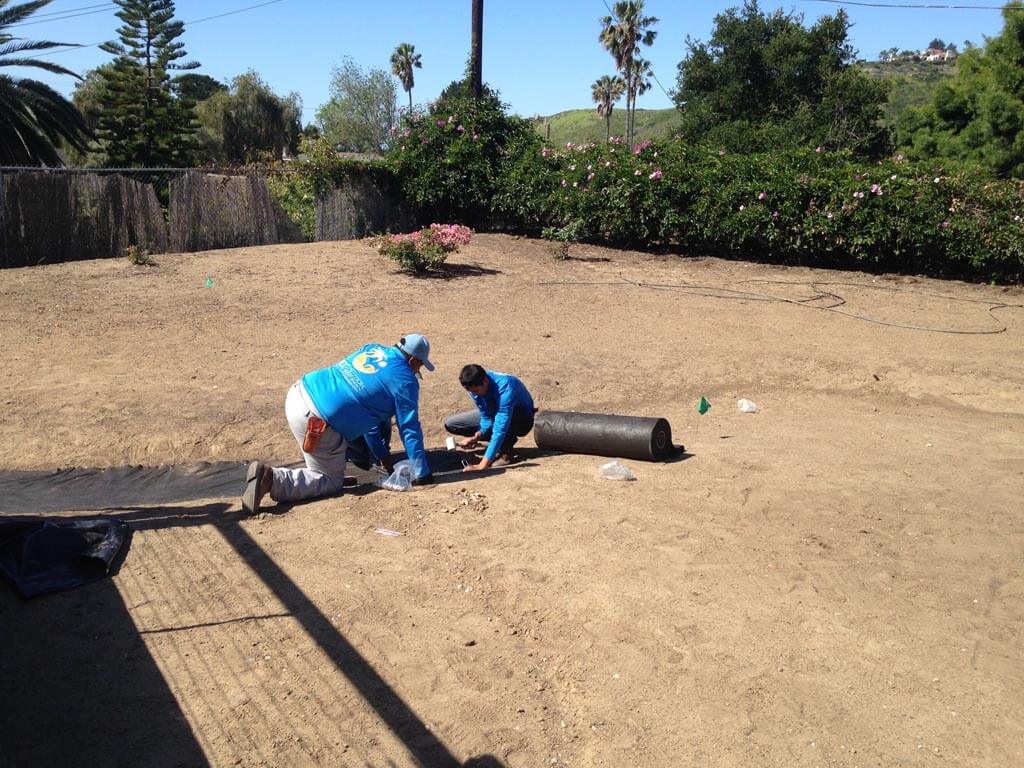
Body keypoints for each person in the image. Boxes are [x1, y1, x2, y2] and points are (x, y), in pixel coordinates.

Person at [243, 334, 435, 514]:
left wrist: (383, 457)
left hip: (300, 391)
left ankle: (332, 465)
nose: (417, 372)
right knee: (328, 481)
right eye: (420, 367)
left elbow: (370, 420)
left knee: (365, 423)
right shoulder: (405, 380)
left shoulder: (373, 348)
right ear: (413, 361)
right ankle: (271, 479)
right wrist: (422, 473)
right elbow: (409, 428)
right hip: (317, 419)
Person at [445, 364, 536, 472]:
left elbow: (500, 427)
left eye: (477, 391)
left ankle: (505, 450)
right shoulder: (474, 386)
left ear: (485, 381)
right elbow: (486, 416)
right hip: (497, 413)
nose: (475, 395)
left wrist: (482, 464)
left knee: (501, 425)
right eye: (472, 392)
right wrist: (478, 435)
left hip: (522, 419)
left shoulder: (505, 386)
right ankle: (500, 443)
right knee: (452, 424)